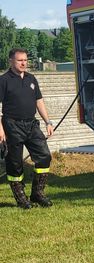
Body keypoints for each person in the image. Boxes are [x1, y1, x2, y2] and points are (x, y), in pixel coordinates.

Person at [0, 48, 54, 209]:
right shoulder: (4, 80)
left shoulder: (31, 78)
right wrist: (1, 129)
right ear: (11, 61)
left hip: (31, 124)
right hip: (12, 125)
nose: (24, 63)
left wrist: (48, 122)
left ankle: (37, 194)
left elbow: (39, 101)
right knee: (15, 163)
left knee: (44, 156)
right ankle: (21, 198)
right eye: (20, 60)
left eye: (25, 60)